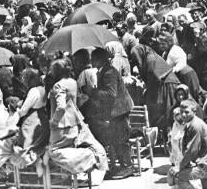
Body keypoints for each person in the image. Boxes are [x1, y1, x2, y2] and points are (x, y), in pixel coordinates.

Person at [46, 59, 108, 178]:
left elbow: (61, 106)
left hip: (61, 124)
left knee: (54, 151)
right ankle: (74, 173)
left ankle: (86, 158)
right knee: (69, 148)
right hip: (74, 121)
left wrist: (54, 121)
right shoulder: (72, 82)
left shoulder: (58, 85)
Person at [87, 48, 135, 179]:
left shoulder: (109, 72)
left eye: (93, 59)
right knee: (116, 138)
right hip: (116, 110)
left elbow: (110, 94)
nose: (91, 61)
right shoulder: (104, 71)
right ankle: (123, 165)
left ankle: (127, 167)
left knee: (120, 139)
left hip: (119, 109)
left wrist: (92, 92)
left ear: (99, 59)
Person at [131, 27, 181, 129]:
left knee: (165, 109)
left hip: (167, 85)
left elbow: (154, 77)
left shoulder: (150, 59)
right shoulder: (149, 55)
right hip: (164, 82)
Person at [171, 99, 207, 189]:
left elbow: (191, 150)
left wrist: (179, 167)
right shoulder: (192, 123)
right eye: (181, 112)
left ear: (194, 111)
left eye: (186, 112)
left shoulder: (195, 125)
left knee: (178, 176)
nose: (183, 115)